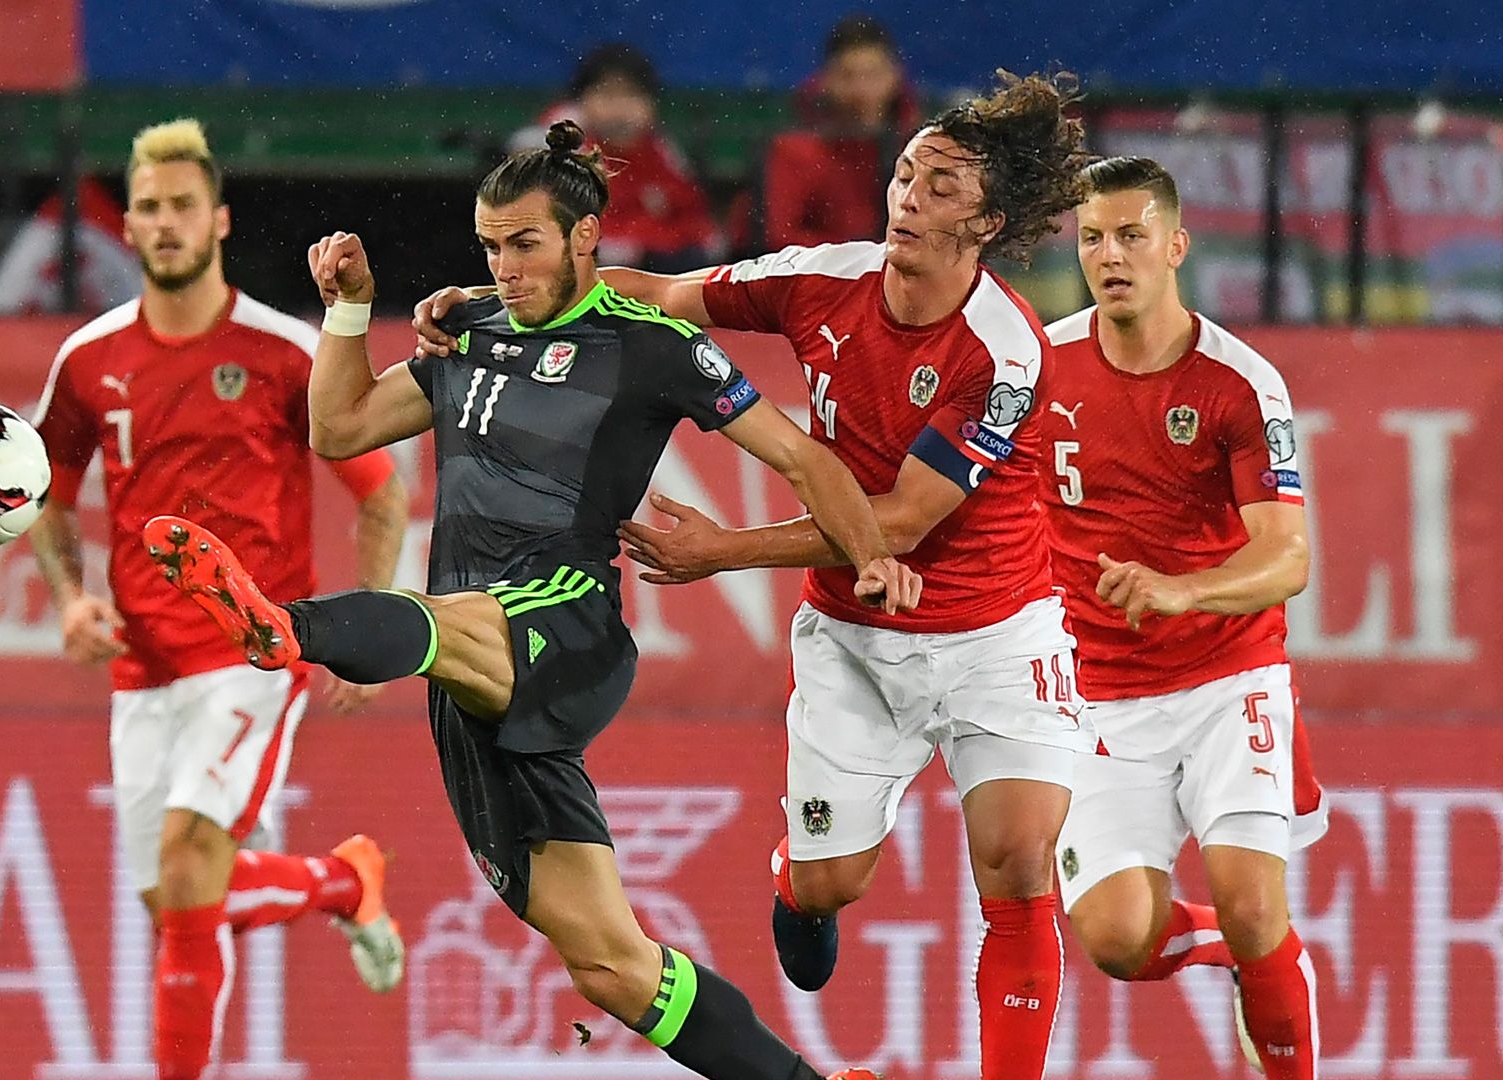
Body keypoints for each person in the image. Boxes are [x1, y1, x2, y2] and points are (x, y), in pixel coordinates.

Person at [146, 120, 913, 1080]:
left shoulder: (656, 346)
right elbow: (340, 429)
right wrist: (351, 311)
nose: (504, 267)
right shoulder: (468, 332)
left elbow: (801, 457)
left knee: (446, 622)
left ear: (585, 235)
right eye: (491, 247)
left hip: (567, 620)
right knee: (610, 965)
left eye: (526, 243)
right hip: (468, 674)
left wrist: (871, 555)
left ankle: (282, 624)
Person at [417, 69, 1094, 1080]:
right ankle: (797, 882)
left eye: (941, 187)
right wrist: (496, 302)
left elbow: (900, 523)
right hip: (857, 643)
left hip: (999, 635)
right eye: (906, 175)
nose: (908, 196)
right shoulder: (826, 278)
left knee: (1018, 858)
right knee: (830, 884)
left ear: (987, 221)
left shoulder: (1006, 355)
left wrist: (720, 550)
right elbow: (662, 296)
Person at [25, 118, 411, 1080]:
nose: (163, 225)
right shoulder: (87, 359)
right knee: (178, 907)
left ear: (220, 219)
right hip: (141, 669)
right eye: (147, 208)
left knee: (194, 866)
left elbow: (382, 492)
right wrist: (71, 599)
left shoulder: (284, 353)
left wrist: (365, 632)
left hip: (252, 651)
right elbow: (46, 492)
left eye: (181, 207)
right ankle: (339, 880)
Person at [1039, 155, 1324, 1080]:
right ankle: (1249, 961)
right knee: (1118, 942)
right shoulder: (1038, 367)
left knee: (1253, 904)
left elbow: (1289, 557)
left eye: (1130, 236)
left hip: (1226, 677)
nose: (1110, 255)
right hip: (1097, 698)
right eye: (1092, 238)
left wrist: (1184, 589)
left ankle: (1268, 967)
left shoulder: (1241, 382)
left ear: (1175, 245)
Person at [515, 43, 723, 272]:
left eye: (631, 96)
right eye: (607, 95)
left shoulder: (659, 149)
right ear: (581, 100)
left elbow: (690, 212)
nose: (620, 109)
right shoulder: (559, 147)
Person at [762, 15, 921, 250]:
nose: (861, 91)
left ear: (894, 77)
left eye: (872, 75)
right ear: (825, 80)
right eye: (847, 75)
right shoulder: (794, 151)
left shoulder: (917, 149)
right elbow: (781, 239)